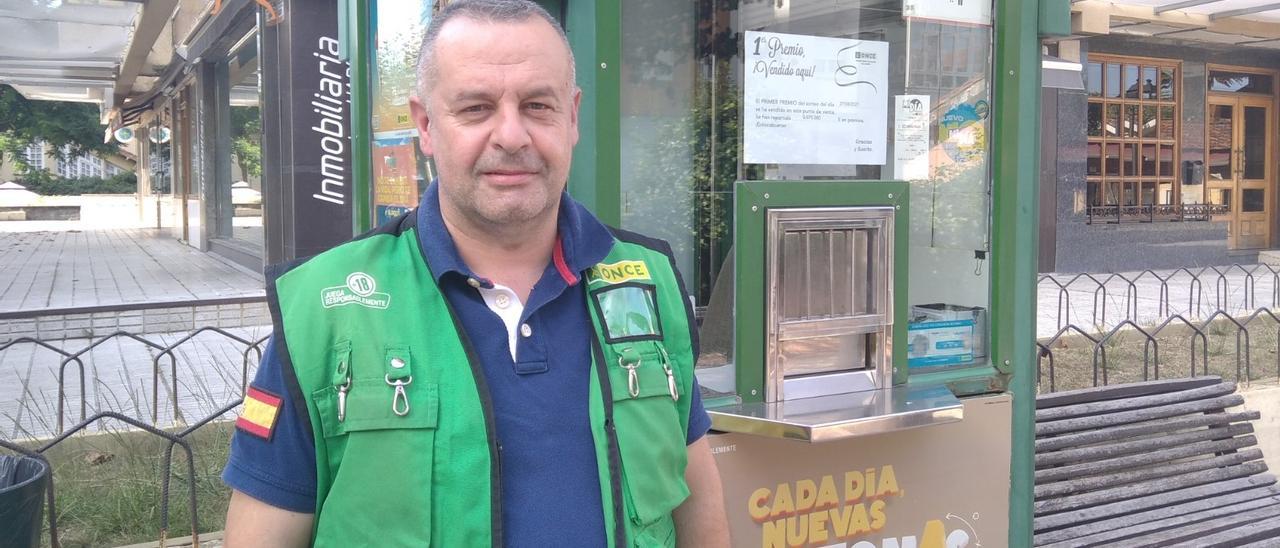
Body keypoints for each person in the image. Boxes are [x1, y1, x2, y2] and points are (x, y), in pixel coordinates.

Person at [220, 0, 730, 546]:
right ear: (426, 125)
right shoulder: (326, 308)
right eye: (476, 108)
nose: (511, 136)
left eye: (538, 105)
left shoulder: (645, 282)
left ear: (573, 116)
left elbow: (693, 489)